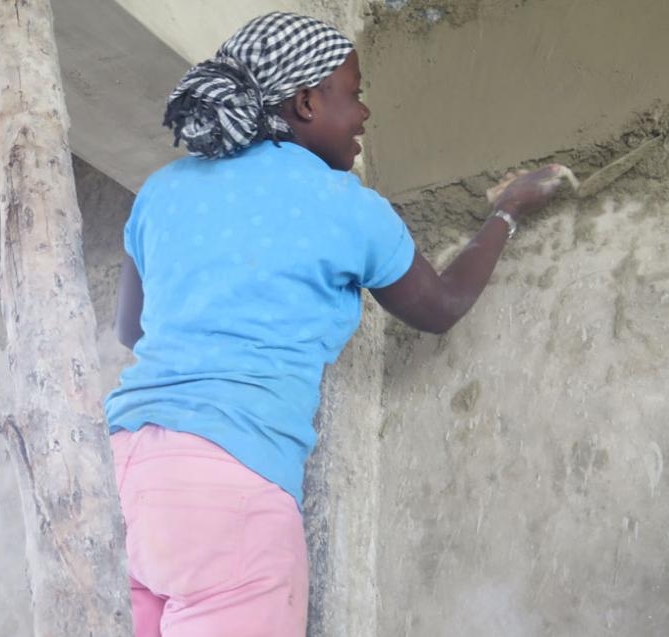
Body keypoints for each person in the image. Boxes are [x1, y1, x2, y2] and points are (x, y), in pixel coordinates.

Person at [106, 11, 565, 637]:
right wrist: (506, 213)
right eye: (353, 94)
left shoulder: (160, 190)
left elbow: (133, 330)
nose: (365, 114)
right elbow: (442, 307)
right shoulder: (345, 207)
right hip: (230, 490)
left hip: (123, 475)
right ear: (303, 103)